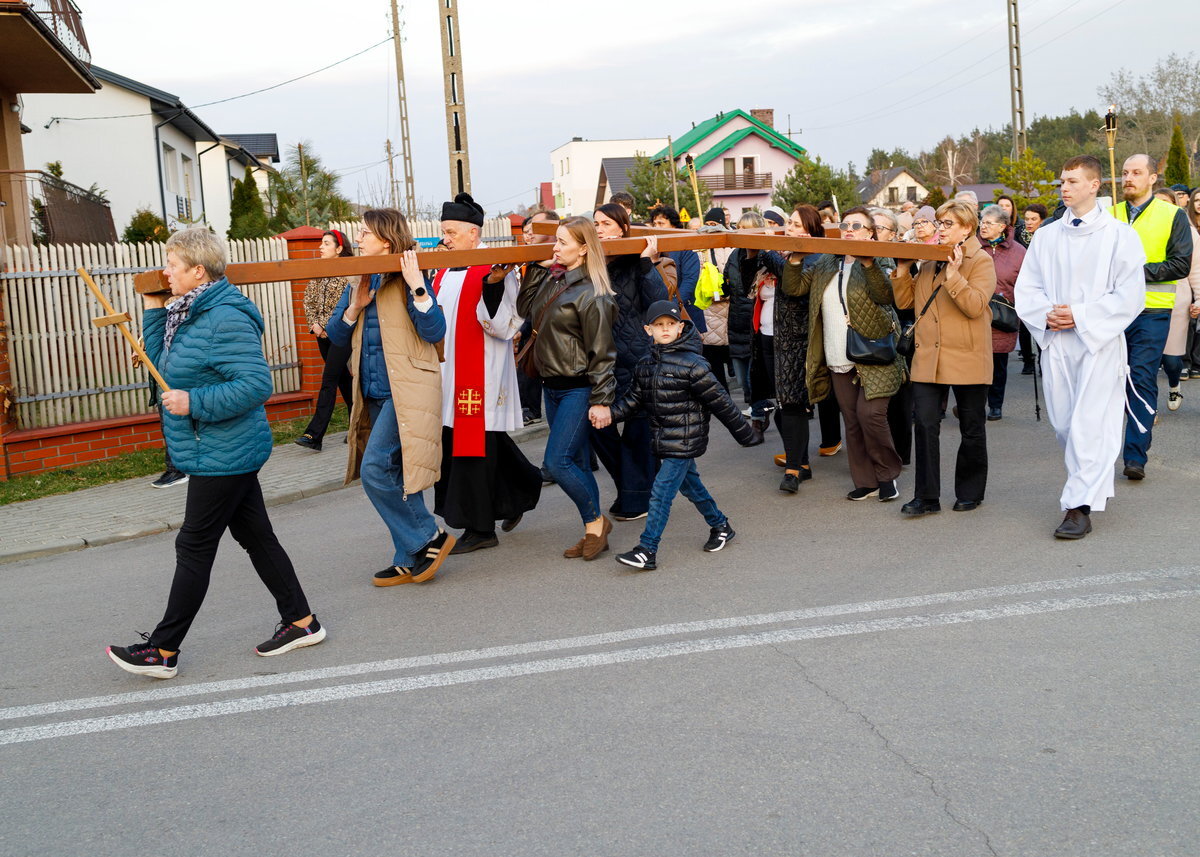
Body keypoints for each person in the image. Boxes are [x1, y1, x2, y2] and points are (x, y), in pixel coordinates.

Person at [106, 228, 325, 680]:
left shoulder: (224, 318)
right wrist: (153, 307)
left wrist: (194, 402)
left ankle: (163, 650)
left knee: (194, 545)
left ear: (199, 272)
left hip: (225, 449)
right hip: (217, 448)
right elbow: (163, 366)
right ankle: (302, 622)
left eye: (173, 265)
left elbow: (256, 385)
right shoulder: (185, 313)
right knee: (256, 536)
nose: (166, 272)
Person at [1015, 155, 1146, 539]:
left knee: (1090, 425)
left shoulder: (1119, 235)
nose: (1065, 188)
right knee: (1065, 425)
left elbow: (1131, 295)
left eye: (1072, 181)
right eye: (1062, 182)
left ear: (1094, 185)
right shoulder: (1047, 236)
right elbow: (1028, 287)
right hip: (1057, 342)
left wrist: (1081, 316)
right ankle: (1089, 489)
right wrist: (1046, 315)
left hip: (1098, 344)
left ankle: (1078, 507)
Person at [325, 208, 454, 586]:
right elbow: (336, 335)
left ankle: (429, 536)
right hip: (373, 391)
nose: (358, 239)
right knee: (395, 472)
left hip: (407, 389)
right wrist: (355, 306)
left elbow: (434, 331)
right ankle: (408, 555)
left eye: (364, 233)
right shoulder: (358, 278)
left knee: (375, 469)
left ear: (385, 240)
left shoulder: (412, 274)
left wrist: (417, 286)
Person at [593, 301, 763, 570]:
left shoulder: (693, 364)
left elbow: (721, 402)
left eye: (670, 324)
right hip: (663, 438)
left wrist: (746, 434)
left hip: (686, 439)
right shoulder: (645, 365)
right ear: (648, 330)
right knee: (690, 485)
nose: (665, 329)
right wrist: (609, 415)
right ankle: (720, 525)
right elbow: (633, 401)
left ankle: (647, 549)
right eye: (659, 325)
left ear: (680, 327)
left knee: (661, 492)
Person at [429, 193, 542, 554]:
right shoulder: (443, 270)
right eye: (444, 232)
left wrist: (492, 286)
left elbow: (506, 324)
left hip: (479, 372)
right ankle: (522, 489)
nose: (445, 239)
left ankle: (480, 528)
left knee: (472, 447)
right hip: (447, 373)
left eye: (451, 232)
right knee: (477, 442)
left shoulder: (494, 267)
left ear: (473, 233)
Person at [782, 206, 904, 503]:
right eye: (846, 225)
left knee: (870, 415)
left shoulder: (881, 258)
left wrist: (869, 263)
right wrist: (795, 259)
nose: (849, 230)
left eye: (857, 226)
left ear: (870, 233)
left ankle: (887, 475)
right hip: (838, 352)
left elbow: (885, 295)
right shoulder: (827, 260)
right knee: (851, 420)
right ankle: (866, 481)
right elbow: (794, 288)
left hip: (874, 351)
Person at [517, 217, 617, 560]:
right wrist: (536, 268)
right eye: (555, 241)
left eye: (562, 242)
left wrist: (602, 401)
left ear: (584, 249)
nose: (555, 247)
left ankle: (596, 522)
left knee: (557, 463)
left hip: (579, 388)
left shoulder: (593, 294)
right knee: (574, 460)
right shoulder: (554, 278)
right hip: (552, 386)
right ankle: (594, 529)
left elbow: (603, 354)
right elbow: (525, 309)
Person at [891, 200, 996, 517]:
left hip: (967, 356)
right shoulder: (929, 259)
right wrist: (902, 269)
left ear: (967, 228)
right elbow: (906, 303)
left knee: (971, 427)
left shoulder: (981, 260)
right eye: (939, 223)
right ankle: (926, 497)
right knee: (924, 425)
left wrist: (953, 275)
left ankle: (970, 492)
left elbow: (975, 306)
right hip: (928, 356)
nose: (940, 229)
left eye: (948, 224)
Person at [1110, 155, 1195, 481]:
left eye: (1136, 172)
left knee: (1141, 377)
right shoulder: (1110, 214)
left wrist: (1135, 272)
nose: (1128, 177)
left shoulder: (1172, 214)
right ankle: (1103, 447)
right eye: (1125, 172)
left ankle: (1135, 455)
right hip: (1112, 310)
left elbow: (1180, 264)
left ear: (1152, 177)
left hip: (1152, 310)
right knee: (1110, 380)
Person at [591, 202, 668, 521]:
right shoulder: (589, 263)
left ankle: (637, 498)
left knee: (638, 432)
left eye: (606, 224)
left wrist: (647, 262)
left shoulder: (637, 262)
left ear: (623, 229)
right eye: (596, 224)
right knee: (596, 427)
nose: (600, 230)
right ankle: (633, 488)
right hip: (600, 364)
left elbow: (659, 301)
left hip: (637, 360)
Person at [773, 204, 824, 492]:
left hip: (801, 341)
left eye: (796, 225)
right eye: (788, 223)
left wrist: (789, 258)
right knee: (782, 406)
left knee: (793, 404)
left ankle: (793, 469)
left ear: (811, 231)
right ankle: (801, 463)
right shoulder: (781, 253)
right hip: (774, 338)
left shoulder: (816, 258)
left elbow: (796, 290)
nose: (789, 228)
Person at [295, 229, 356, 452]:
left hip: (340, 335)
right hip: (320, 335)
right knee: (343, 382)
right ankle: (358, 426)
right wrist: (314, 324)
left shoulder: (349, 272)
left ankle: (314, 435)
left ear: (339, 249)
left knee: (329, 380)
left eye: (326, 243)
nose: (321, 247)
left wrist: (326, 326)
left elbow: (345, 304)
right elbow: (308, 300)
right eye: (321, 243)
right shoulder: (319, 271)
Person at [871, 207, 914, 465]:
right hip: (867, 336)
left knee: (898, 398)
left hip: (895, 336)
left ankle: (900, 453)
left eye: (880, 228)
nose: (874, 232)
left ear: (893, 234)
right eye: (872, 227)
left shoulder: (900, 259)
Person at [977, 204, 1026, 420]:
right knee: (976, 363)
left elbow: (1026, 283)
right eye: (982, 222)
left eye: (989, 223)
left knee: (998, 364)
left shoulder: (1019, 252)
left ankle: (995, 404)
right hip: (975, 312)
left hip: (1004, 315)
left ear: (1002, 226)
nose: (983, 226)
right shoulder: (973, 247)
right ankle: (974, 404)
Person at [735, 211, 779, 434]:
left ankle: (774, 413)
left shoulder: (774, 253)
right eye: (739, 229)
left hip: (782, 329)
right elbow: (746, 288)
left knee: (777, 381)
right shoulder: (742, 255)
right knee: (757, 378)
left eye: (746, 229)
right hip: (757, 326)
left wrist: (767, 250)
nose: (741, 233)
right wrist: (750, 256)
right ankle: (759, 418)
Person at [517, 210, 559, 424]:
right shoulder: (533, 260)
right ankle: (528, 408)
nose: (530, 233)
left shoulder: (566, 263)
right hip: (535, 334)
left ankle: (531, 408)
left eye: (535, 227)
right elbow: (525, 306)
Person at [648, 204, 704, 327]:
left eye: (661, 223)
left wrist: (670, 307)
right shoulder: (651, 248)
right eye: (654, 224)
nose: (656, 227)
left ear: (673, 225)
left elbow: (689, 280)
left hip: (683, 309)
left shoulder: (685, 247)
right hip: (657, 312)